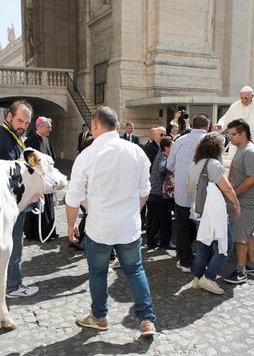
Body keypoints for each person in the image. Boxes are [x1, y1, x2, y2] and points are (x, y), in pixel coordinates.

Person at [65, 106, 156, 337]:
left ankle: (100, 316)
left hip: (100, 227)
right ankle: (147, 320)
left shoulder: (86, 156)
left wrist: (70, 225)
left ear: (95, 125)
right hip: (128, 226)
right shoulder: (136, 151)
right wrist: (133, 212)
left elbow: (73, 198)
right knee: (135, 270)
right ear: (116, 125)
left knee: (98, 273)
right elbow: (145, 190)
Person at [0, 100, 39, 298]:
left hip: (4, 205)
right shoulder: (3, 139)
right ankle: (13, 286)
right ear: (8, 116)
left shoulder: (10, 136)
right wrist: (32, 188)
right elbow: (9, 174)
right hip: (9, 205)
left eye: (26, 122)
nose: (23, 126)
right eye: (19, 120)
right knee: (14, 245)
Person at [187, 133, 240, 295]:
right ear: (217, 148)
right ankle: (208, 277)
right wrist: (236, 203)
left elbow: (189, 191)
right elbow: (227, 188)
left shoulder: (193, 164)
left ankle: (197, 278)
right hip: (212, 213)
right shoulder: (214, 165)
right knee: (226, 244)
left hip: (197, 211)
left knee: (203, 246)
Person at [166, 114, 210, 273]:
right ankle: (202, 263)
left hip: (182, 194)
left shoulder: (180, 140)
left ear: (193, 124)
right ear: (207, 126)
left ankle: (185, 262)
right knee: (204, 230)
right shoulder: (211, 141)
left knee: (183, 227)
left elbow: (170, 164)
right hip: (204, 195)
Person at [223, 119, 254, 284]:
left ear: (243, 134)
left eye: (233, 134)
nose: (230, 137)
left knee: (240, 237)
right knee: (248, 233)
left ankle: (241, 271)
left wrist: (232, 194)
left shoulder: (250, 151)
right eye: (229, 134)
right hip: (245, 200)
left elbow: (251, 179)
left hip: (246, 202)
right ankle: (252, 266)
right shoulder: (241, 148)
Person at [24, 116, 58, 241]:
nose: (51, 129)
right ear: (41, 126)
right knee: (37, 205)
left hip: (47, 179)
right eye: (48, 127)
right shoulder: (29, 141)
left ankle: (49, 231)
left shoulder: (47, 140)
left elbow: (51, 159)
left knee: (48, 205)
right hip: (36, 180)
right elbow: (29, 162)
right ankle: (35, 233)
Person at [145, 137, 174, 248]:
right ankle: (165, 243)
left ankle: (151, 242)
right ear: (167, 148)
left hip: (153, 193)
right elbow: (162, 168)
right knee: (166, 220)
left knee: (157, 220)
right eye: (172, 146)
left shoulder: (159, 155)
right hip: (158, 194)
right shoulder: (164, 156)